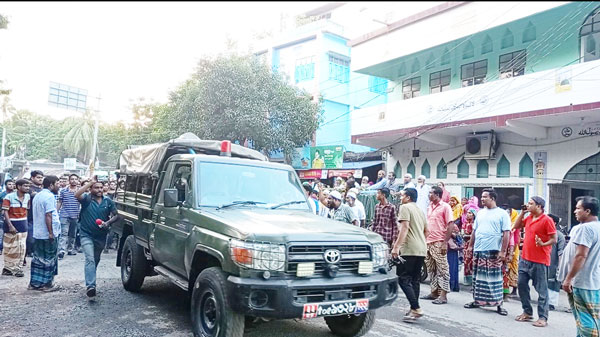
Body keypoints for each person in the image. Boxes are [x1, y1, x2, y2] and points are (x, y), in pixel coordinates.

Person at [464, 189, 511, 316]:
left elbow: (507, 233)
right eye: (482, 197)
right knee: (478, 278)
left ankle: (499, 304)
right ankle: (477, 300)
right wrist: (470, 247)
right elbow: (475, 230)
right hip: (479, 249)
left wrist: (503, 251)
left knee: (494, 278)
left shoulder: (502, 214)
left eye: (485, 197)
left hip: (494, 250)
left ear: (493, 198)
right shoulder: (479, 213)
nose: (482, 199)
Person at [558, 196, 600, 337]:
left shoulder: (586, 228)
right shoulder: (596, 227)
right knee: (588, 317)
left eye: (578, 208)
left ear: (587, 211)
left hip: (582, 281)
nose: (575, 211)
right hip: (591, 280)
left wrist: (568, 279)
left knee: (585, 319)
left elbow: (581, 255)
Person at [513, 196, 557, 328]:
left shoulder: (547, 220)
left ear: (539, 206)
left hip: (540, 260)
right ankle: (527, 311)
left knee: (541, 290)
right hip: (525, 258)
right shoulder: (529, 218)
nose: (528, 205)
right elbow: (516, 226)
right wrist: (522, 213)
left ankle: (543, 317)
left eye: (531, 204)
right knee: (521, 285)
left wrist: (543, 243)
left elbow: (554, 239)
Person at [75, 177, 120, 300]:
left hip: (101, 235)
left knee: (95, 259)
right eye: (96, 187)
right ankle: (91, 286)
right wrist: (90, 182)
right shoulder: (86, 199)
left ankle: (91, 276)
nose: (99, 190)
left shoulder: (108, 201)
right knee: (89, 258)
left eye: (101, 187)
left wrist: (108, 223)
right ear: (91, 189)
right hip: (86, 234)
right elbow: (77, 194)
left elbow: (116, 215)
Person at [391, 187, 428, 322]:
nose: (400, 198)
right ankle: (414, 309)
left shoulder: (405, 207)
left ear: (408, 197)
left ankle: (416, 308)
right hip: (421, 248)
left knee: (403, 279)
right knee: (414, 280)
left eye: (402, 196)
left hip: (409, 248)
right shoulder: (420, 210)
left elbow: (404, 228)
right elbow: (426, 231)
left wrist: (396, 247)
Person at [28, 175, 61, 292]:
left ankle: (35, 283)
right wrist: (51, 233)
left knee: (38, 258)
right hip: (47, 233)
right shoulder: (49, 197)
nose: (59, 185)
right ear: (51, 185)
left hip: (39, 232)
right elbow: (48, 215)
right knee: (49, 259)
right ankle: (47, 284)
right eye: (57, 183)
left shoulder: (38, 196)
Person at [421, 186, 453, 305]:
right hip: (428, 241)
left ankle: (443, 295)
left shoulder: (445, 207)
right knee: (431, 268)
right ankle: (434, 292)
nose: (429, 195)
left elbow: (450, 224)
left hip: (439, 241)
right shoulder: (429, 207)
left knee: (443, 268)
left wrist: (445, 242)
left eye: (431, 193)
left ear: (437, 195)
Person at [1, 179, 31, 277]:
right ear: (18, 187)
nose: (27, 188)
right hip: (11, 226)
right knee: (10, 248)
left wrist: (25, 222)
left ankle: (17, 268)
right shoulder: (9, 197)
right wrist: (10, 225)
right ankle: (8, 268)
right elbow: (5, 212)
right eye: (25, 186)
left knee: (21, 248)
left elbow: (26, 210)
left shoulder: (27, 196)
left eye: (28, 186)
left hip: (23, 225)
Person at [57, 174, 80, 258]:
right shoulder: (63, 191)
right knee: (64, 233)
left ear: (78, 181)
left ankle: (70, 249)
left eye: (75, 179)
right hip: (64, 214)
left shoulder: (80, 191)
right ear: (69, 180)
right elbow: (60, 202)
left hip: (75, 215)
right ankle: (61, 250)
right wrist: (56, 212)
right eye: (72, 179)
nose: (73, 180)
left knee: (73, 233)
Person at [546, 214, 566, 311]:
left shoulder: (559, 236)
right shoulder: (543, 232)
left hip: (553, 263)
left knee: (553, 282)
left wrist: (560, 267)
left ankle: (551, 303)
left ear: (554, 222)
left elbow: (560, 253)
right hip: (543, 262)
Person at [26, 170, 44, 261]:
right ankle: (29, 251)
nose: (40, 179)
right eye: (38, 177)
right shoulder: (28, 188)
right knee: (30, 236)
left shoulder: (42, 189)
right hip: (29, 216)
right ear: (32, 178)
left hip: (40, 216)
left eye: (41, 178)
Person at [0, 179, 15, 255]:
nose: (11, 186)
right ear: (5, 186)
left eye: (13, 184)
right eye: (9, 184)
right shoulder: (2, 195)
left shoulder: (16, 195)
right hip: (3, 216)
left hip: (13, 216)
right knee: (2, 233)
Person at [462, 209, 476, 286]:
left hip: (472, 244)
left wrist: (467, 236)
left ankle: (472, 280)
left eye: (470, 213)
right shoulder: (466, 223)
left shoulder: (474, 224)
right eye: (467, 213)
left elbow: (475, 235)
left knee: (471, 262)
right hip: (465, 244)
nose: (468, 214)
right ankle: (467, 279)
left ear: (473, 215)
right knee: (466, 261)